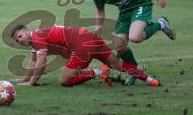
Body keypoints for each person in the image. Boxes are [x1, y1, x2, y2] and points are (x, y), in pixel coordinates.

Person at [88, 0, 176, 85]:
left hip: (141, 4)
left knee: (135, 37)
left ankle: (160, 24)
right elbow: (100, 10)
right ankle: (135, 70)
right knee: (119, 46)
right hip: (124, 12)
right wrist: (98, 29)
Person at [11, 25, 159, 87]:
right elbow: (34, 60)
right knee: (117, 65)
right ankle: (150, 80)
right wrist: (24, 79)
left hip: (81, 45)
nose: (20, 40)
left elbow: (41, 64)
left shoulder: (36, 38)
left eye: (20, 36)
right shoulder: (36, 36)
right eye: (17, 40)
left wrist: (31, 83)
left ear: (26, 30)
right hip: (89, 36)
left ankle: (99, 72)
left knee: (65, 80)